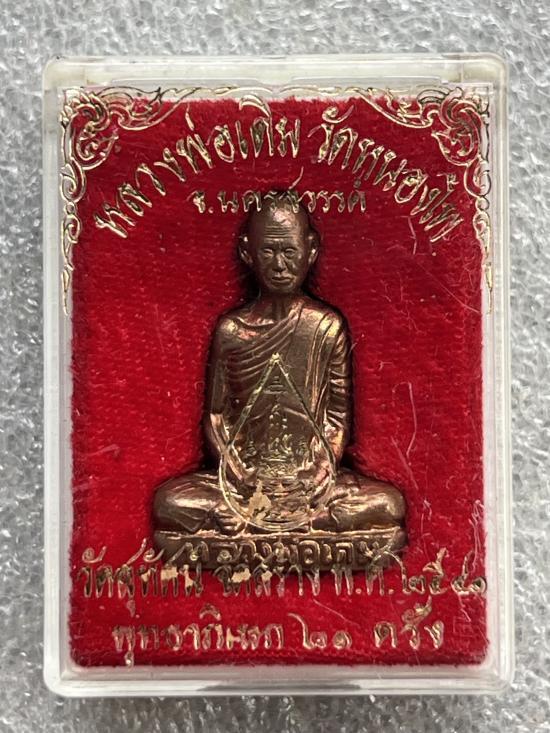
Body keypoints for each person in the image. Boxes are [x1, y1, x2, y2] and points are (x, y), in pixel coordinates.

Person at [153, 191, 405, 539]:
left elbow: (336, 419)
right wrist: (238, 473)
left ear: (310, 250)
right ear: (248, 252)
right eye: (268, 251)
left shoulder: (325, 326)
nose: (279, 264)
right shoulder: (232, 331)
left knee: (389, 504)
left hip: (308, 481)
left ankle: (274, 521)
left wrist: (318, 473)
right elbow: (216, 416)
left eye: (289, 251)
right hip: (245, 480)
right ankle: (285, 521)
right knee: (169, 501)